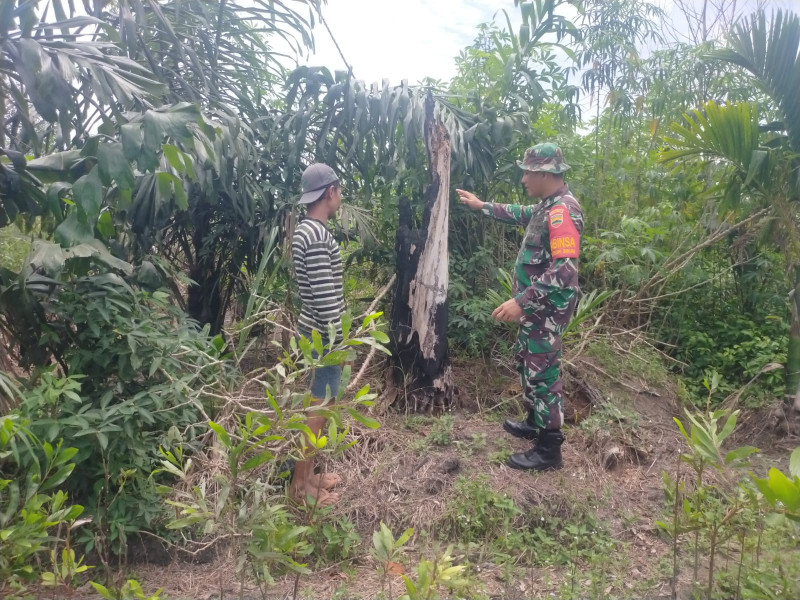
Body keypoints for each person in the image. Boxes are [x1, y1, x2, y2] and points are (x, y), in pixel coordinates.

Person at [456, 143, 583, 471]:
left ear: (546, 174)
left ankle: (549, 449)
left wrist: (521, 301)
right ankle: (534, 421)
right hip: (535, 309)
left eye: (528, 172)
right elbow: (519, 213)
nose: (523, 178)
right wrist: (482, 206)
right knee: (528, 362)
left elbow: (565, 270)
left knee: (543, 372)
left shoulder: (562, 212)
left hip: (546, 309)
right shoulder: (546, 206)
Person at [289, 162, 346, 506]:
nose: (340, 197)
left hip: (314, 330)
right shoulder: (317, 236)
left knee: (320, 403)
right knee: (319, 407)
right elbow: (326, 300)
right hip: (324, 334)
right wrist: (341, 342)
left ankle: (308, 475)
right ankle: (300, 487)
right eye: (339, 191)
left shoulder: (305, 230)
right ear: (330, 192)